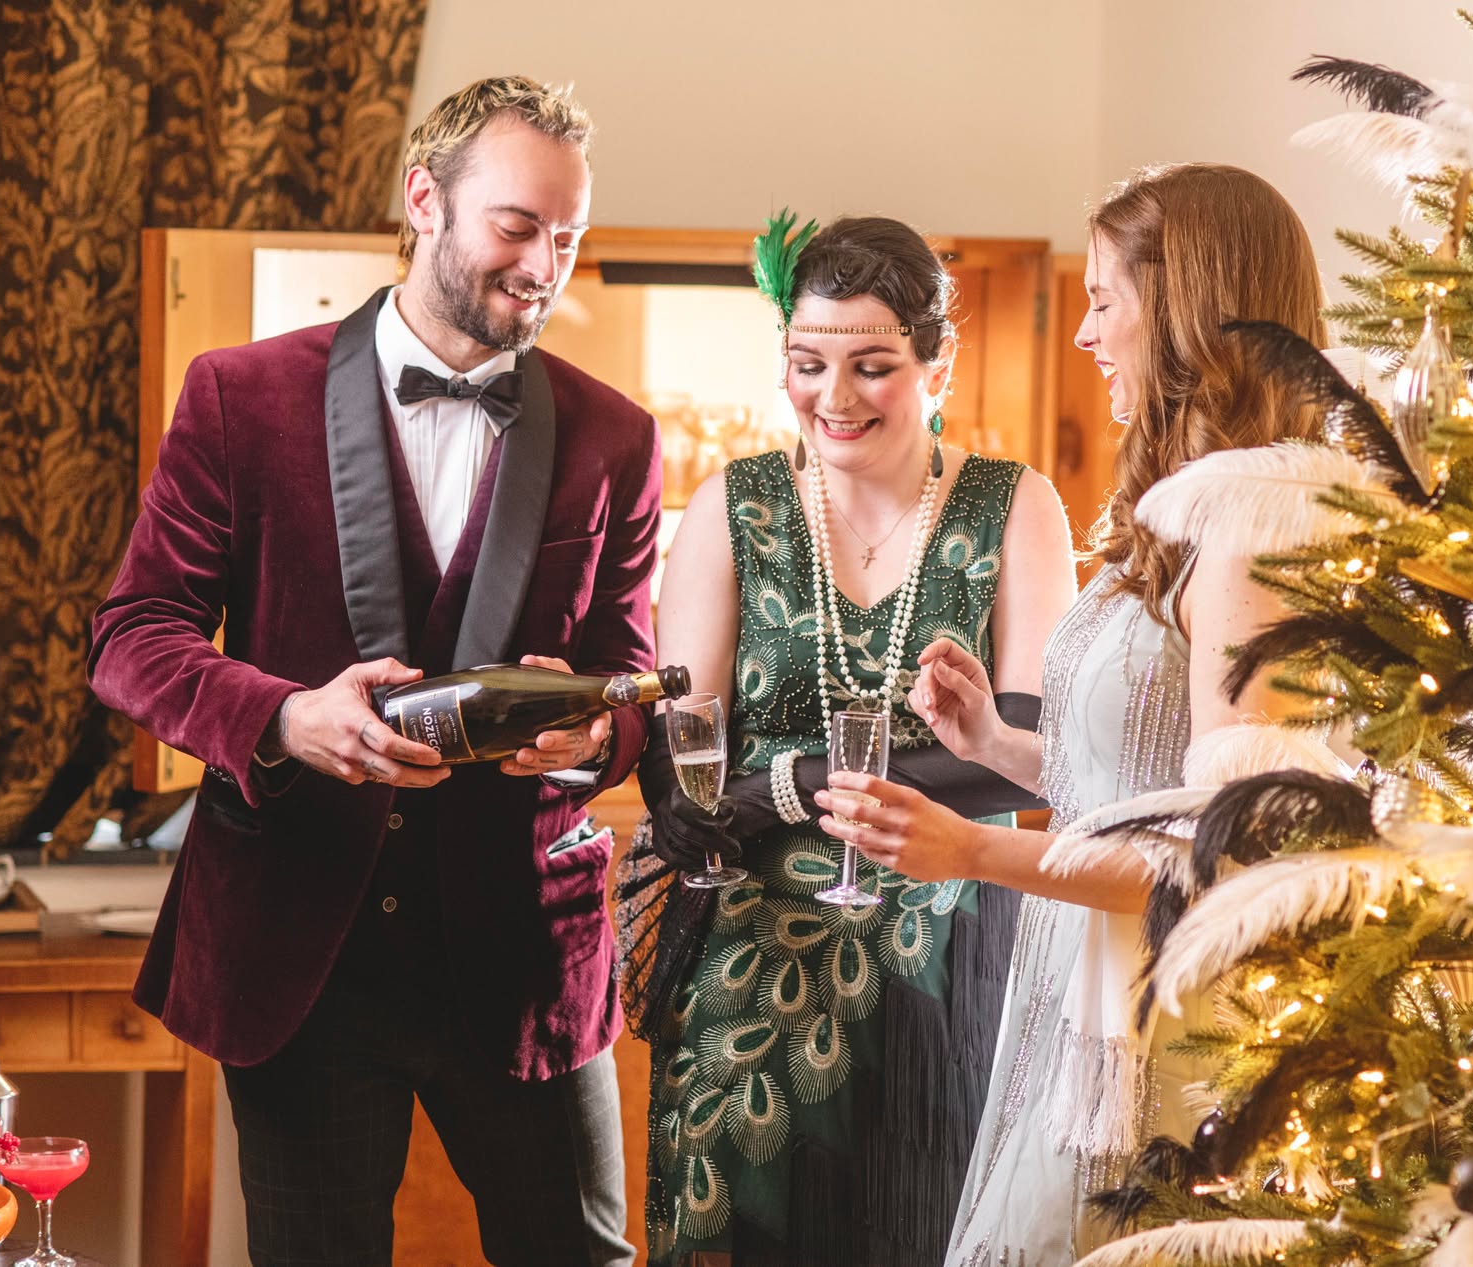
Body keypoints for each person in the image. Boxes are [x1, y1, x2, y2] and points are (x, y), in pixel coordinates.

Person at [88, 77, 655, 1267]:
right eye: (516, 226)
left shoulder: (615, 436)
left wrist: (595, 735)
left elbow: (627, 673)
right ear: (423, 200)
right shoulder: (239, 397)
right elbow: (135, 635)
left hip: (524, 955)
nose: (544, 264)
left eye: (568, 236)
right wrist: (287, 716)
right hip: (301, 952)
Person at [798, 164, 1330, 1267]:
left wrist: (975, 847)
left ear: (1184, 304)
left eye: (1102, 299)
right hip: (1072, 998)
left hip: (1153, 1026)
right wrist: (996, 743)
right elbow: (1145, 777)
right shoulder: (1181, 502)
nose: (1085, 334)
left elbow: (1226, 849)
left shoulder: (1251, 530)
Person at [625, 214, 1078, 1265]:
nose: (833, 398)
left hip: (953, 935)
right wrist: (693, 799)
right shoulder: (730, 508)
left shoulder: (1017, 509)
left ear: (936, 361)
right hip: (747, 953)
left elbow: (1024, 749)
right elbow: (681, 735)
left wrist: (783, 785)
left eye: (871, 367)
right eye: (806, 363)